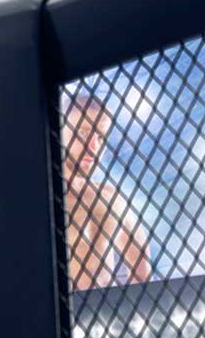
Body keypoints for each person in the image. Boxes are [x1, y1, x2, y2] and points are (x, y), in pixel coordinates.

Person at [60, 89, 152, 290]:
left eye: (100, 136)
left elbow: (141, 267)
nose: (94, 146)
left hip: (106, 314)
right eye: (83, 132)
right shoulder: (42, 198)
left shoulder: (113, 198)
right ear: (59, 131)